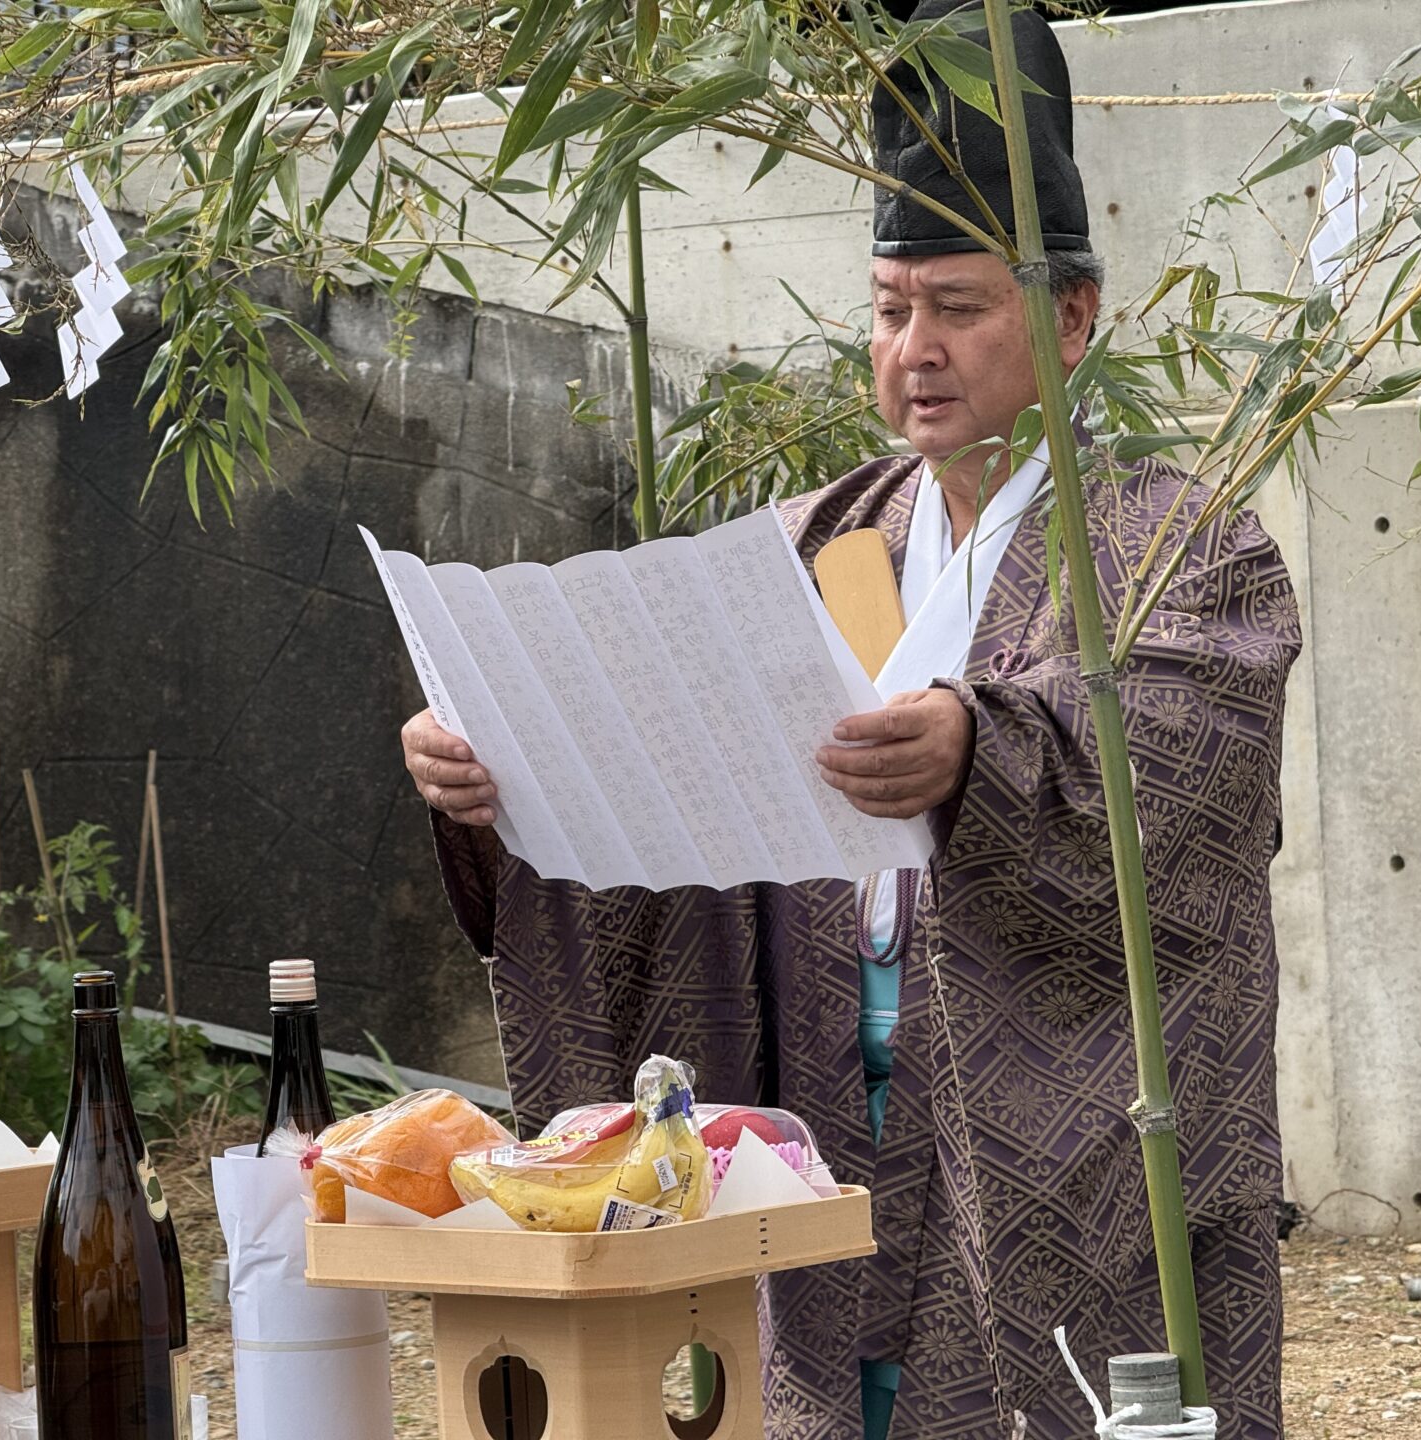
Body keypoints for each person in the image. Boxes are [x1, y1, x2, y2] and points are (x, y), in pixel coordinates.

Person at [399, 3, 1299, 1436]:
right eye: (890, 311)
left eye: (959, 308)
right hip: (821, 1116)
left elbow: (1191, 766)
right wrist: (495, 774)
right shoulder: (822, 541)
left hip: (1066, 1162)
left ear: (1071, 317)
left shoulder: (1182, 547)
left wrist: (984, 746)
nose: (916, 350)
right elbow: (658, 766)